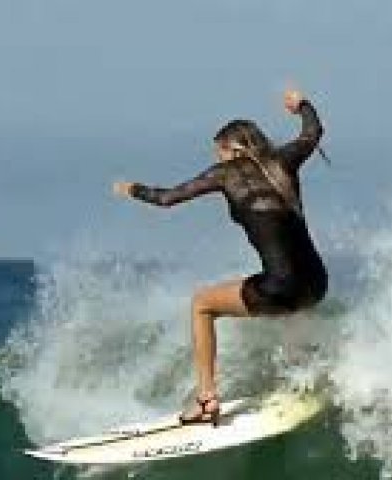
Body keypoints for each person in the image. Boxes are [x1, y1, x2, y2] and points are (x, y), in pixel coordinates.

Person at [113, 89, 328, 427]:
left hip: (281, 287)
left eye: (220, 152)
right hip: (317, 283)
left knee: (202, 304)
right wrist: (301, 104)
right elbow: (312, 133)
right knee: (290, 305)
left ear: (232, 148)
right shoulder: (284, 161)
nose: (220, 159)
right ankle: (304, 373)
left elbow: (167, 198)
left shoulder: (225, 174)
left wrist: (132, 189)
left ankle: (206, 398)